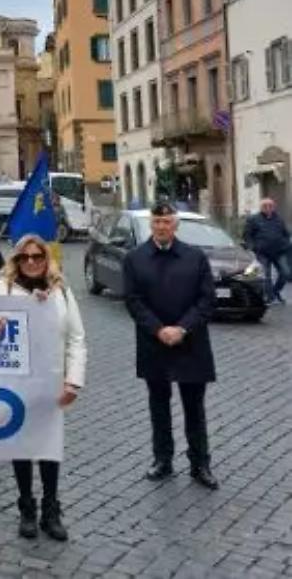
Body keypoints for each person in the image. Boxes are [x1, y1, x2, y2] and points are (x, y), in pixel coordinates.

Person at [0, 235, 86, 541]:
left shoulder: (61, 289)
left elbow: (76, 337)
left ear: (46, 259)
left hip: (52, 379)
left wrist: (74, 380)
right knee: (21, 446)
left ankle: (51, 508)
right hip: (17, 383)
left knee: (49, 448)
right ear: (17, 260)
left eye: (38, 256)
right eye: (25, 257)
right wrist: (26, 312)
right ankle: (26, 507)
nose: (32, 262)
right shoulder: (5, 288)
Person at [123, 202, 219, 490]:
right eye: (157, 222)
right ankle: (162, 459)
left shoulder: (195, 257)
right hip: (154, 343)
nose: (161, 227)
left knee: (194, 407)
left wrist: (182, 328)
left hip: (190, 343)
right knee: (158, 405)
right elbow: (133, 300)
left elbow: (207, 300)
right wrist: (158, 329)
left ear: (175, 225)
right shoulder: (135, 258)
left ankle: (200, 463)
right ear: (150, 225)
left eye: (166, 221)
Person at [244, 198, 291, 304]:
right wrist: (252, 247)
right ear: (261, 208)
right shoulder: (253, 219)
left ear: (274, 207)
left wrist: (286, 244)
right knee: (266, 275)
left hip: (279, 251)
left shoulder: (279, 219)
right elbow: (247, 235)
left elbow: (286, 233)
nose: (268, 208)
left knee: (285, 273)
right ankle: (270, 297)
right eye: (265, 206)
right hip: (262, 252)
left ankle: (275, 291)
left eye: (270, 206)